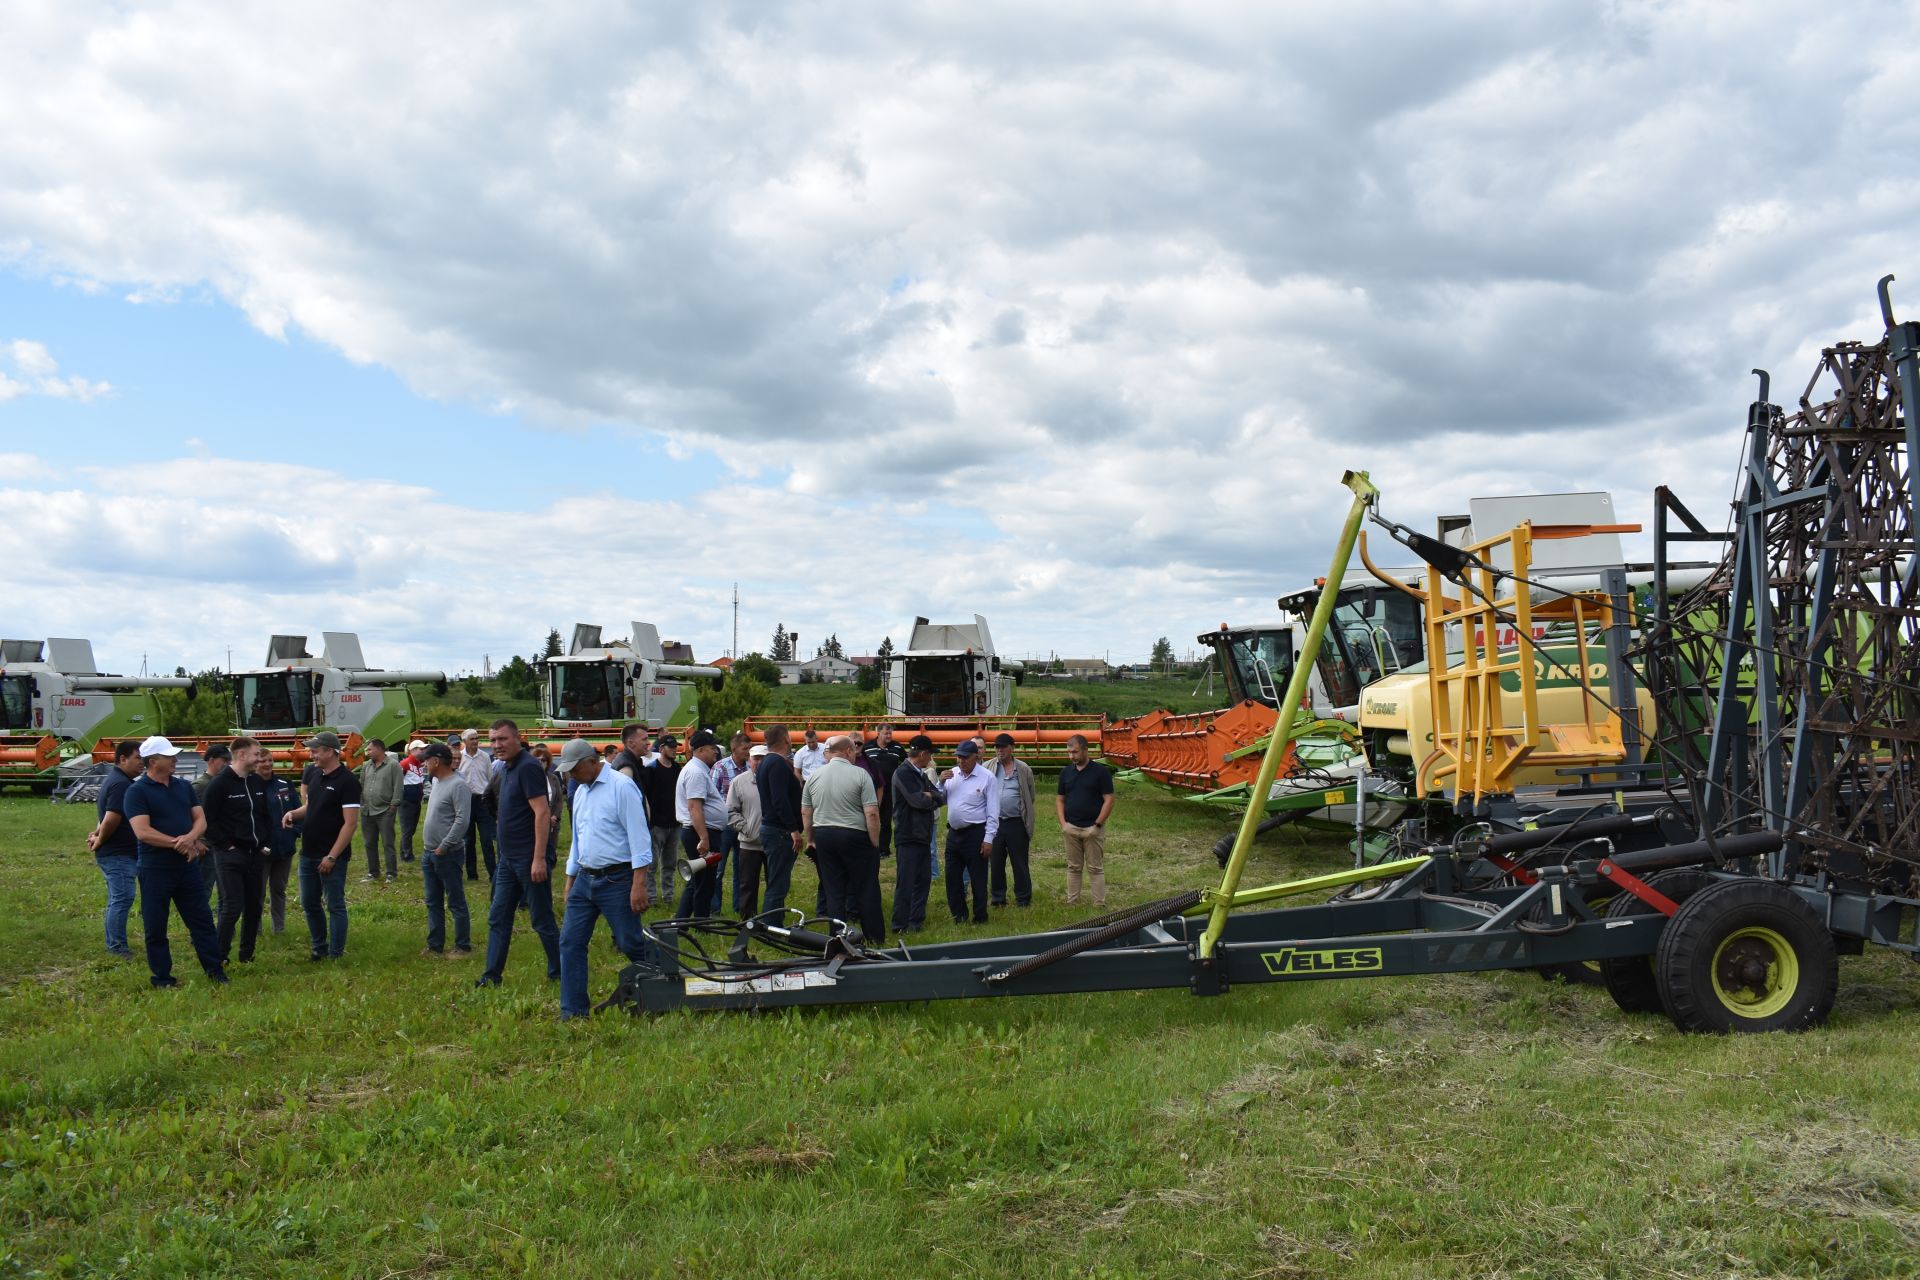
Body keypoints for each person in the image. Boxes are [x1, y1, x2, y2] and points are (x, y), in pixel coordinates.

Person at [556, 737, 652, 1020]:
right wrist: (570, 880)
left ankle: (667, 983)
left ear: (591, 761)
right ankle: (573, 1011)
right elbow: (578, 839)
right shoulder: (581, 791)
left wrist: (638, 884)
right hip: (585, 879)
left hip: (617, 880)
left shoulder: (621, 788)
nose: (571, 775)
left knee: (629, 942)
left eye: (575, 768)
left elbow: (639, 838)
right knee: (570, 942)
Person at [121, 736, 227, 988]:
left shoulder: (183, 786)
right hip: (155, 868)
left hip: (186, 866)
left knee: (201, 920)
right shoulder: (136, 792)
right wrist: (178, 843)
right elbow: (142, 832)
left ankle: (215, 971)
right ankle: (162, 978)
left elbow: (200, 818)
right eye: (169, 757)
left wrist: (190, 838)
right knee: (155, 925)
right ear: (153, 761)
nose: (175, 760)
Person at [475, 719, 560, 988]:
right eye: (493, 740)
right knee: (498, 918)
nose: (497, 745)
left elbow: (543, 813)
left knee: (542, 920)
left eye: (502, 739)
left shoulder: (528, 767)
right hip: (507, 861)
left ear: (517, 738)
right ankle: (491, 977)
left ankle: (560, 970)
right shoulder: (507, 768)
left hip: (528, 859)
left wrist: (538, 859)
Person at [284, 731, 361, 960]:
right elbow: (311, 807)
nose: (311, 755)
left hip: (330, 856)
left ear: (330, 751)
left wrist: (332, 856)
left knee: (334, 904)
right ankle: (319, 948)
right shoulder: (315, 775)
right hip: (308, 853)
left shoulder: (347, 782)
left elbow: (350, 823)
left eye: (315, 751)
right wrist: (292, 813)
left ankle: (336, 954)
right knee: (309, 902)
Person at [801, 736, 884, 942]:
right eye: (854, 750)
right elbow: (872, 812)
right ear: (848, 751)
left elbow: (806, 812)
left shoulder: (814, 776)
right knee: (866, 887)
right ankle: (874, 936)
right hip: (854, 834)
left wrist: (810, 838)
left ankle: (838, 936)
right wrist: (874, 841)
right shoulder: (861, 774)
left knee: (834, 889)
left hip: (824, 835)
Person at [202, 737, 274, 964]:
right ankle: (219, 956)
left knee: (254, 906)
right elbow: (207, 820)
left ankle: (246, 954)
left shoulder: (255, 782)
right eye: (255, 755)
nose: (259, 759)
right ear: (241, 755)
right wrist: (226, 845)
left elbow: (263, 816)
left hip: (255, 853)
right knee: (232, 906)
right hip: (230, 855)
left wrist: (264, 844)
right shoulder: (220, 784)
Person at [84, 739, 143, 958]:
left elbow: (105, 817)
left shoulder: (117, 780)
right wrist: (100, 840)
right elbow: (111, 818)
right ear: (122, 759)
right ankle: (117, 947)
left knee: (117, 898)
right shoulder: (121, 784)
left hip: (117, 852)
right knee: (123, 898)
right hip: (117, 853)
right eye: (138, 758)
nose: (142, 763)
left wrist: (97, 834)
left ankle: (114, 943)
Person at [417, 743, 472, 957]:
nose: (424, 764)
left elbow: (462, 820)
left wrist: (444, 846)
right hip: (429, 852)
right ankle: (435, 945)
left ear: (436, 761)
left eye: (426, 760)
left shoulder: (458, 785)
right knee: (433, 901)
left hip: (447, 853)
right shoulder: (437, 782)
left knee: (455, 901)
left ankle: (463, 946)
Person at [940, 738, 998, 925]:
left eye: (965, 758)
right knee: (952, 878)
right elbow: (940, 800)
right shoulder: (952, 775)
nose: (961, 761)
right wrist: (940, 783)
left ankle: (980, 916)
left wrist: (988, 838)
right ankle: (959, 916)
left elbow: (993, 811)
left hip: (975, 833)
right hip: (954, 834)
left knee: (978, 878)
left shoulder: (987, 777)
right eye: (959, 757)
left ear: (976, 756)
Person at [889, 735, 943, 934]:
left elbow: (940, 795)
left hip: (922, 835)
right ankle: (899, 924)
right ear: (922, 754)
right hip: (908, 835)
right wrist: (929, 797)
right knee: (906, 882)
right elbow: (917, 801)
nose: (931, 759)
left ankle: (916, 921)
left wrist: (930, 796)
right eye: (930, 755)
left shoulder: (920, 774)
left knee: (923, 880)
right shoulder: (902, 773)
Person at [1057, 733, 1116, 907]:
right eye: (1069, 753)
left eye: (1075, 752)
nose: (1071, 756)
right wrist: (1064, 824)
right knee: (1073, 867)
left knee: (1095, 868)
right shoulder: (1066, 772)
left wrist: (1097, 825)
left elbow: (1109, 799)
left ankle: (1099, 903)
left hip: (1092, 828)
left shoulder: (1100, 772)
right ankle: (1072, 901)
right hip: (1071, 828)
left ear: (1085, 749)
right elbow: (1060, 799)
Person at [674, 729, 727, 917]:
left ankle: (681, 922)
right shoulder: (696, 772)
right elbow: (694, 807)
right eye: (713, 748)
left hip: (701, 831)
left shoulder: (697, 770)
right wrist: (704, 838)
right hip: (701, 833)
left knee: (698, 881)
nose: (716, 751)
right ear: (701, 750)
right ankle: (700, 924)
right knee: (705, 883)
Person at [755, 724, 805, 916]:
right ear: (786, 739)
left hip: (774, 829)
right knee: (777, 885)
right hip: (779, 832)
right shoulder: (776, 763)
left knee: (777, 881)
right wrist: (793, 829)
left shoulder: (768, 762)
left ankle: (775, 921)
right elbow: (779, 800)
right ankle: (771, 926)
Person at [987, 733, 1037, 908]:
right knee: (996, 863)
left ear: (1012, 748)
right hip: (995, 823)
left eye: (1002, 746)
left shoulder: (1023, 769)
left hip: (1016, 823)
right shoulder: (988, 767)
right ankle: (998, 899)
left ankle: (1023, 899)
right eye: (996, 747)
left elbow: (1030, 796)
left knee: (1020, 863)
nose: (999, 750)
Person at [709, 731, 752, 915]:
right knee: (718, 868)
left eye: (749, 748)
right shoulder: (720, 767)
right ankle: (714, 909)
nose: (748, 752)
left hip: (744, 823)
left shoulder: (751, 767)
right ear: (734, 749)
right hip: (725, 825)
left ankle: (739, 908)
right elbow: (712, 795)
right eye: (745, 748)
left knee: (741, 870)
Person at [638, 735, 682, 906]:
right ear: (661, 748)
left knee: (670, 863)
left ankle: (668, 896)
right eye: (670, 747)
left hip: (674, 822)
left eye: (675, 747)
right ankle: (652, 898)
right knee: (652, 865)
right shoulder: (651, 769)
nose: (674, 749)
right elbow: (644, 796)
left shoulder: (677, 768)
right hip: (656, 824)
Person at [261, 751, 299, 935]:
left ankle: (279, 929)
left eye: (270, 760)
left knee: (279, 889)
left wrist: (295, 834)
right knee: (257, 892)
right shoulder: (249, 786)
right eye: (262, 761)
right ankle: (254, 929)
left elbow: (298, 810)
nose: (267, 764)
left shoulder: (285, 784)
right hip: (261, 851)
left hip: (284, 847)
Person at [726, 745, 767, 916]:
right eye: (755, 758)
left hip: (773, 843)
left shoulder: (776, 779)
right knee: (747, 884)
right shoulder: (739, 782)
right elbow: (730, 811)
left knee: (775, 885)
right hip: (749, 843)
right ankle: (747, 921)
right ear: (749, 760)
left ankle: (772, 920)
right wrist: (745, 828)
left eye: (762, 758)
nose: (758, 762)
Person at [357, 738, 402, 883]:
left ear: (379, 749)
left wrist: (393, 805)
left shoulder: (393, 765)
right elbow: (361, 785)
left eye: (369, 749)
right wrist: (361, 803)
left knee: (388, 842)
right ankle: (373, 872)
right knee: (369, 843)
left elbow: (398, 786)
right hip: (367, 810)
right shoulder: (366, 766)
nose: (367, 752)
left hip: (385, 810)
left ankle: (391, 873)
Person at [862, 724, 906, 862]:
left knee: (886, 821)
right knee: (869, 817)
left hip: (890, 789)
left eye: (890, 734)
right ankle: (869, 846)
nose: (889, 736)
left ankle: (884, 849)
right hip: (870, 789)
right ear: (878, 733)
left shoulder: (897, 747)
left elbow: (907, 763)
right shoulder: (867, 747)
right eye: (886, 733)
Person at [458, 728, 495, 881]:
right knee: (468, 840)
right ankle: (472, 874)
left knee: (487, 839)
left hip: (482, 800)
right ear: (465, 742)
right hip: (466, 800)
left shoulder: (485, 756)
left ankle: (493, 873)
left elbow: (490, 778)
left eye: (476, 738)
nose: (475, 741)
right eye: (471, 739)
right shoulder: (459, 757)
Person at [396, 738, 429, 863]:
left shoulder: (419, 763)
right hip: (406, 801)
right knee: (408, 829)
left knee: (411, 829)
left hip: (416, 801)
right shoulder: (405, 763)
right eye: (421, 749)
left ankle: (404, 850)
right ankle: (406, 855)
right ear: (413, 750)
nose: (424, 751)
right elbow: (397, 781)